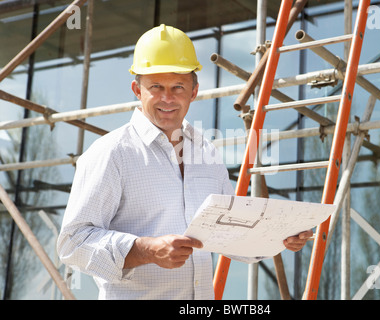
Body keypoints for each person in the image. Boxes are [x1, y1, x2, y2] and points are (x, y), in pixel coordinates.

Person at [57, 24, 313, 300]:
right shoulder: (111, 153)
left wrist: (280, 237)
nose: (167, 98)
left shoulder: (206, 152)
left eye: (178, 86)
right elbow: (73, 244)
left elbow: (230, 233)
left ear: (193, 91)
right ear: (136, 89)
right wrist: (146, 250)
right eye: (156, 86)